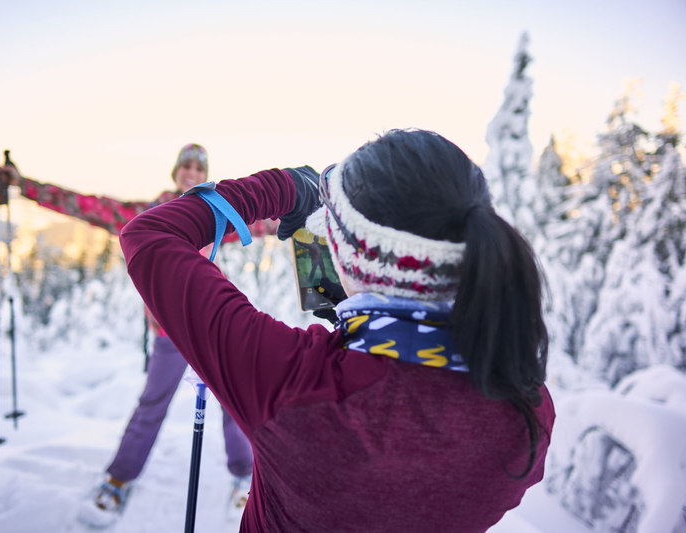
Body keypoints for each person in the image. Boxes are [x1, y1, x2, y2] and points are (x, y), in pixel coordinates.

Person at [118, 129, 555, 532]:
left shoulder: (292, 381)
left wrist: (283, 186)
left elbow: (151, 234)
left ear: (350, 256)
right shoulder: (526, 413)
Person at [0, 144, 273, 527]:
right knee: (152, 404)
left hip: (212, 322)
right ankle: (118, 480)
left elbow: (264, 221)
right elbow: (85, 205)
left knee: (233, 398)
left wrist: (308, 212)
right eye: (186, 165)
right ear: (176, 172)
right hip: (169, 330)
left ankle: (244, 476)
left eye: (199, 167)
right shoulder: (149, 214)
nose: (192, 172)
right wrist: (24, 185)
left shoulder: (216, 212)